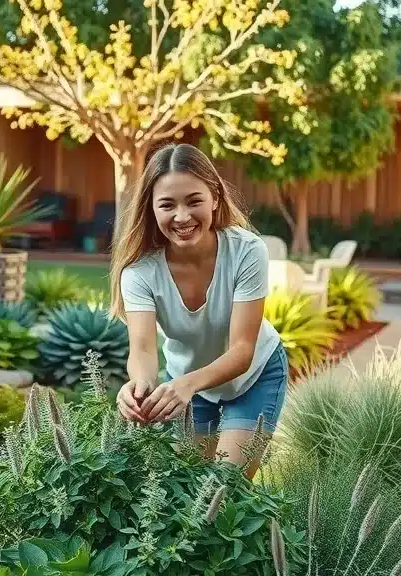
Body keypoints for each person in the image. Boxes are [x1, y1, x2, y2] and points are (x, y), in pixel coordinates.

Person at [108, 143, 287, 478]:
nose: (182, 217)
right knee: (187, 490)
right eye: (167, 205)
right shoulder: (139, 272)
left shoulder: (247, 252)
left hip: (254, 377)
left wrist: (186, 386)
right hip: (188, 383)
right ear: (151, 209)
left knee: (224, 488)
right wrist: (140, 387)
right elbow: (143, 349)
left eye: (194, 201)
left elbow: (242, 350)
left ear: (215, 198)